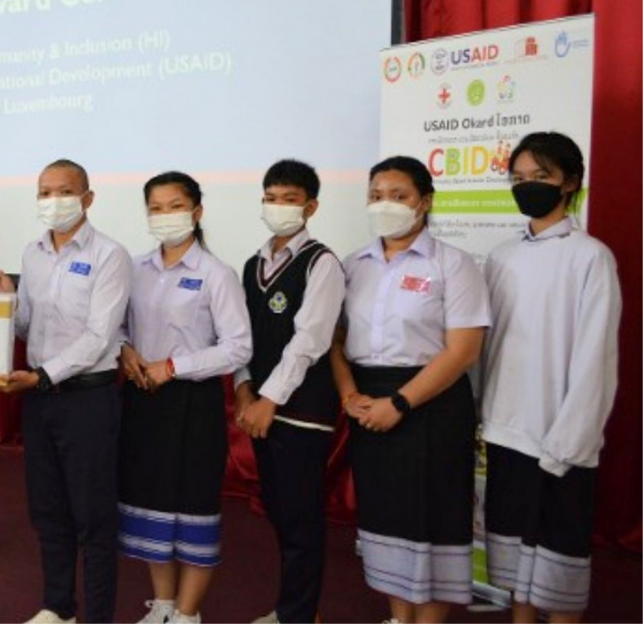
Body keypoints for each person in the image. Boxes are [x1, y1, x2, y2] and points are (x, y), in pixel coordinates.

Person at [330, 156, 489, 624]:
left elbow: (462, 351)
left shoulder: (453, 265)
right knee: (386, 520)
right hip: (367, 401)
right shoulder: (352, 264)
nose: (386, 205)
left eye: (398, 196)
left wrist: (400, 403)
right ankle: (400, 616)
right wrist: (347, 395)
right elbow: (334, 340)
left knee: (433, 522)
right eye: (377, 195)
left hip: (431, 404)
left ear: (425, 201)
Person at [480, 132, 621, 624]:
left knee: (560, 563)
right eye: (519, 179)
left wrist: (571, 440)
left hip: (559, 436)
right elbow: (486, 346)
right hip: (505, 429)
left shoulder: (591, 257)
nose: (528, 187)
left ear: (571, 182)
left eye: (541, 177)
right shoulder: (501, 256)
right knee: (518, 564)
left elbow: (595, 358)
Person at [0, 159, 132, 624]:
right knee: (47, 509)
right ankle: (58, 607)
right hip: (40, 399)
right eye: (44, 192)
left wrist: (44, 376)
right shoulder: (31, 252)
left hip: (87, 399)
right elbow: (26, 324)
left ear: (88, 198)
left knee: (93, 518)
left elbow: (99, 337)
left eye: (64, 191)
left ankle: (97, 617)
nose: (53, 201)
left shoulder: (111, 255)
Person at [117, 172, 251, 624]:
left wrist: (174, 367)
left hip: (192, 405)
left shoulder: (217, 274)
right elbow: (116, 325)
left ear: (196, 212)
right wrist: (125, 350)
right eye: (155, 207)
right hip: (142, 400)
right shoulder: (133, 268)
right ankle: (164, 605)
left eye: (175, 206)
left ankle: (189, 613)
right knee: (150, 502)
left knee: (192, 504)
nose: (164, 216)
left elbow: (238, 346)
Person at [234, 160, 345, 624]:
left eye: (289, 199)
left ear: (311, 206)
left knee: (301, 522)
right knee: (280, 514)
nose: (278, 207)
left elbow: (311, 340)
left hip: (298, 412)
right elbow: (239, 336)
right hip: (258, 409)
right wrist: (244, 394)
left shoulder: (322, 262)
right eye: (271, 198)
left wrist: (269, 400)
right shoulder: (252, 263)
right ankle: (293, 610)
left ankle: (299, 616)